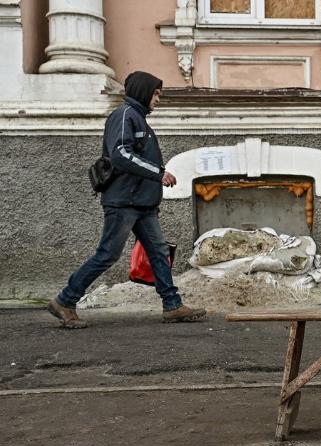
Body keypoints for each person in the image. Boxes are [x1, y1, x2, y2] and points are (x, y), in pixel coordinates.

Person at [47, 71, 206, 329]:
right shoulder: (124, 116)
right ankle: (65, 300)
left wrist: (151, 201)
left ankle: (172, 305)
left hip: (141, 205)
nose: (159, 98)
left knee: (159, 253)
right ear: (143, 91)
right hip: (123, 203)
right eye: (155, 93)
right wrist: (159, 174)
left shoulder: (138, 119)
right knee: (107, 254)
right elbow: (121, 155)